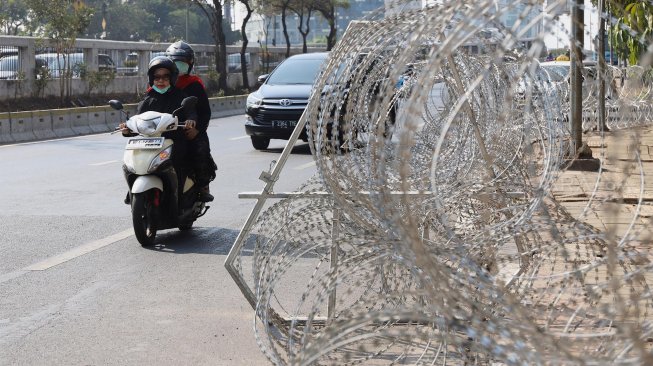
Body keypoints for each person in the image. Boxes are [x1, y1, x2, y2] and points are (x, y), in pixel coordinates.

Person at [120, 56, 197, 203]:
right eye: (157, 77)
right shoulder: (147, 100)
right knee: (132, 162)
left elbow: (190, 112)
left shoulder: (180, 97)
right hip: (150, 141)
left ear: (172, 78)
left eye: (165, 77)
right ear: (151, 79)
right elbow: (138, 121)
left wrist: (190, 121)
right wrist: (127, 129)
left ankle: (179, 195)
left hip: (173, 140)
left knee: (179, 161)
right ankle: (132, 191)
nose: (161, 80)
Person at [165, 40, 216, 202]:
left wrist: (197, 129)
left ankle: (203, 186)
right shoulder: (160, 84)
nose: (179, 66)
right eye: (175, 62)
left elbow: (205, 112)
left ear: (190, 63)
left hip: (188, 129)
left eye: (183, 62)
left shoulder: (194, 85)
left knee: (200, 150)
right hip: (164, 129)